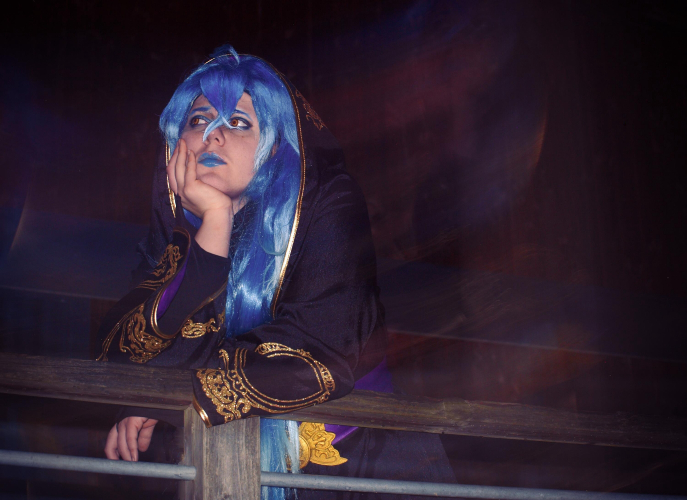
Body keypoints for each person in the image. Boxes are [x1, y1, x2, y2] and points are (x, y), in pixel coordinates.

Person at [96, 46, 453, 500]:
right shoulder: (175, 235)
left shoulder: (329, 203)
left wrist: (166, 394)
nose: (213, 135)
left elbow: (318, 349)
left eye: (238, 122)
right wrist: (214, 229)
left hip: (361, 464)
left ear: (275, 147)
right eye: (198, 120)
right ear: (175, 145)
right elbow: (121, 349)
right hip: (218, 462)